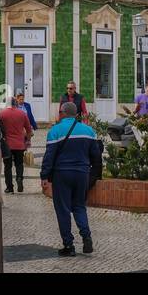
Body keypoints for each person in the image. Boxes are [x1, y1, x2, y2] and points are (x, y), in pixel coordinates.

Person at [40, 101, 102, 256]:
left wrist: (44, 176)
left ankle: (69, 245)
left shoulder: (55, 131)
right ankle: (86, 237)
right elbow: (96, 155)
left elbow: (49, 156)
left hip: (62, 174)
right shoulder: (89, 131)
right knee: (79, 206)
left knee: (63, 210)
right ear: (77, 114)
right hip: (82, 174)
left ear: (62, 113)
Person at [0, 95, 34, 194]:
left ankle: (9, 187)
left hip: (7, 145)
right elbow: (28, 129)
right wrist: (28, 141)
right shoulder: (22, 114)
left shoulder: (2, 114)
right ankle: (19, 178)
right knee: (19, 164)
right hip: (19, 144)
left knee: (7, 166)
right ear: (16, 103)